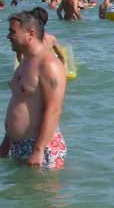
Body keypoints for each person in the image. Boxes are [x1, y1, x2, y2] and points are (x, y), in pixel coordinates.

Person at [2, 10, 68, 169]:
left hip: (41, 148)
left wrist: (38, 150)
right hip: (18, 146)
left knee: (44, 187)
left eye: (13, 32)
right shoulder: (25, 62)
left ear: (30, 34)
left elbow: (54, 109)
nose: (8, 36)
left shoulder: (48, 64)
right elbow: (19, 103)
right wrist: (6, 143)